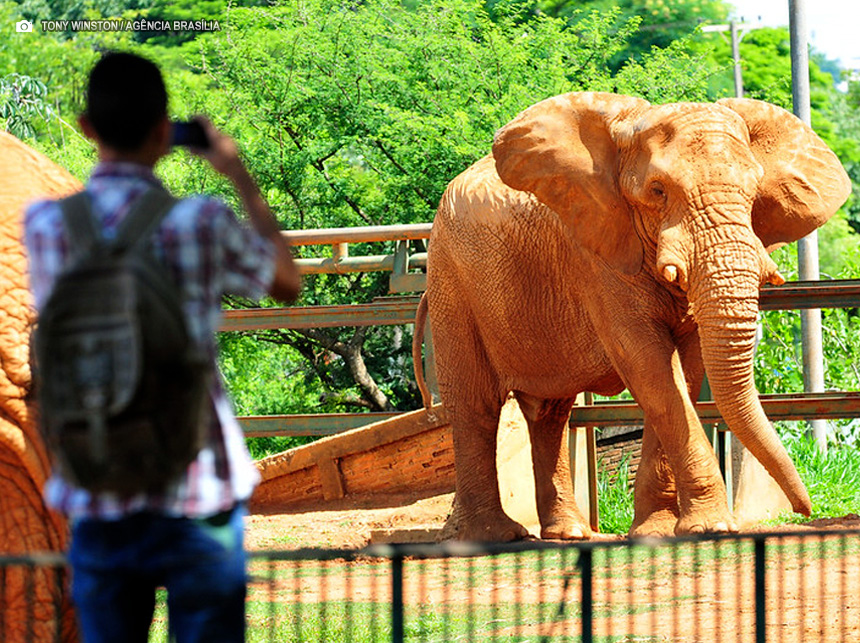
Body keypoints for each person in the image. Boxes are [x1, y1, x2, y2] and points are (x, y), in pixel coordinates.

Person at [24, 51, 300, 643]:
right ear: (163, 133)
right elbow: (286, 281)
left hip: (97, 491)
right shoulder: (199, 221)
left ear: (87, 128)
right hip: (197, 491)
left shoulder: (45, 226)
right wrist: (237, 173)